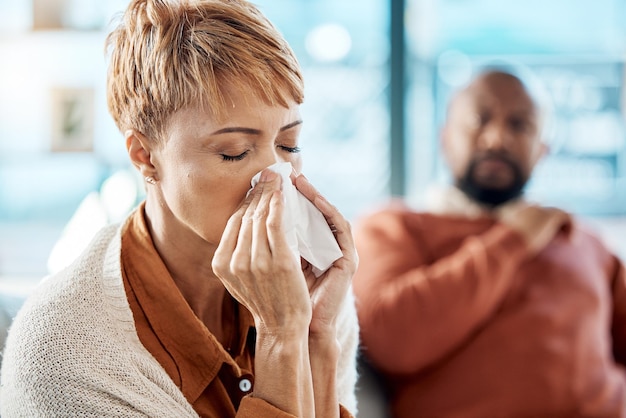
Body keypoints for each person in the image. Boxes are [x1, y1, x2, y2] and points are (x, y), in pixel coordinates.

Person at [0, 1, 359, 417]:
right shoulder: (63, 356)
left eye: (288, 145)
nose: (274, 178)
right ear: (145, 156)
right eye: (234, 152)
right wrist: (280, 338)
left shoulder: (308, 285)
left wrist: (314, 335)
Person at [352, 69, 626, 418]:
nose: (496, 138)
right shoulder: (396, 226)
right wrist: (514, 239)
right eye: (479, 119)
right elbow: (394, 339)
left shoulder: (583, 240)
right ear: (445, 138)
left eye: (519, 125)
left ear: (542, 150)